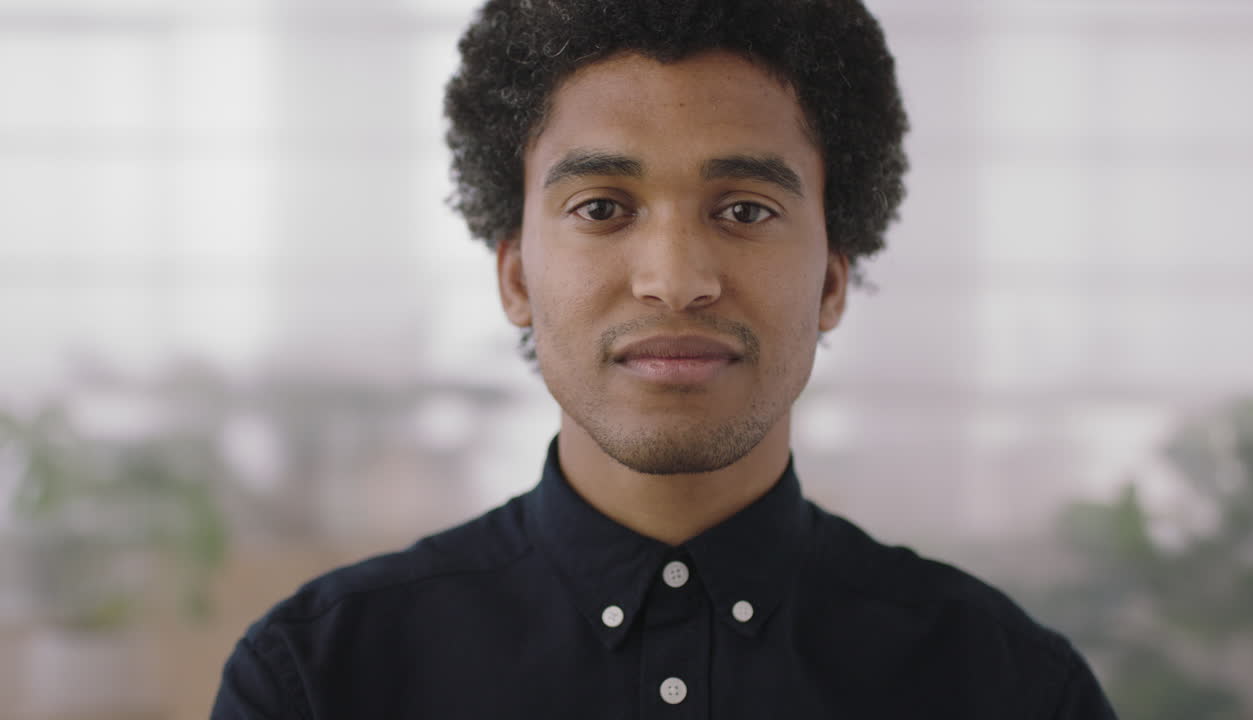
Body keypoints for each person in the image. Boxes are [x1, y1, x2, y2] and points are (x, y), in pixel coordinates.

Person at [212, 0, 1117, 717]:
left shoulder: (1009, 687)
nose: (676, 281)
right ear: (517, 275)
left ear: (833, 280)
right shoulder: (320, 681)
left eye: (746, 210)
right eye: (603, 208)